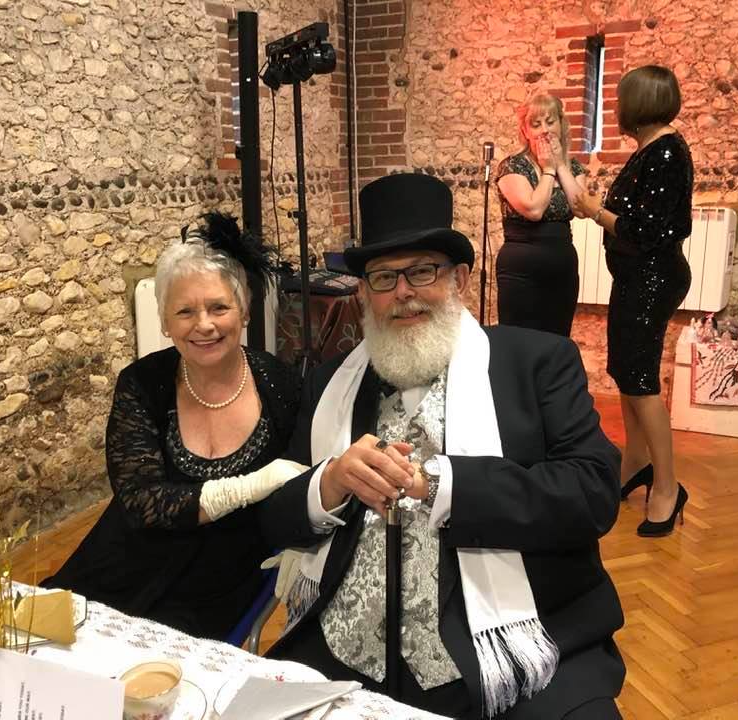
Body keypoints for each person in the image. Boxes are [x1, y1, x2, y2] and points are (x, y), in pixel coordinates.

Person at [260, 173, 625, 719]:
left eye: (422, 271)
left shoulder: (536, 364)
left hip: (509, 649)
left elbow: (592, 493)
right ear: (363, 292)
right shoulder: (328, 383)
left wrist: (442, 484)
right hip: (346, 648)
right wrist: (329, 484)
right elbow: (274, 516)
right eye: (383, 277)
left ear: (458, 278)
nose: (403, 293)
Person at [43, 212, 303, 639]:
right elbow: (141, 501)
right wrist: (246, 487)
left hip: (218, 582)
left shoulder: (283, 386)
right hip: (126, 563)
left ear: (245, 312)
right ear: (165, 321)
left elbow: (300, 492)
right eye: (185, 311)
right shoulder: (143, 384)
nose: (203, 324)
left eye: (219, 307)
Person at [574, 65, 693, 538]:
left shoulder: (665, 151)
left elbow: (649, 231)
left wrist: (593, 211)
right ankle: (637, 463)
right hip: (636, 279)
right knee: (626, 374)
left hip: (651, 279)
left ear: (638, 104)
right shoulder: (652, 149)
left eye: (621, 99)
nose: (617, 107)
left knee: (641, 382)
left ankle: (667, 486)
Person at [494, 93, 588, 336]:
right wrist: (548, 170)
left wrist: (560, 166)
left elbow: (580, 207)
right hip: (521, 271)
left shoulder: (574, 167)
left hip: (561, 267)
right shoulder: (512, 166)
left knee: (557, 340)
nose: (544, 130)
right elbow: (534, 210)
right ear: (525, 131)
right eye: (536, 124)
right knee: (520, 342)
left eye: (550, 121)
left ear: (561, 124)